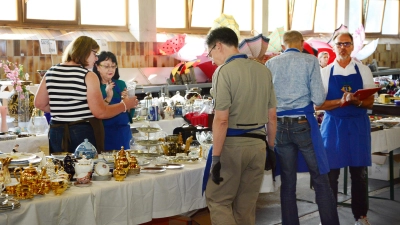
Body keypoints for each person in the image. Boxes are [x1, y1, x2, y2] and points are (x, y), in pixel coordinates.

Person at [203, 27, 277, 225]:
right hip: (259, 146)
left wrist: (216, 158)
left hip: (233, 147)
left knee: (218, 200)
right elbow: (272, 117)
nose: (211, 59)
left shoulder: (223, 72)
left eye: (210, 53)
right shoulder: (263, 70)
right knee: (246, 206)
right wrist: (271, 149)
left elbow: (222, 120)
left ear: (218, 46)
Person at [265, 30, 339, 225]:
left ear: (283, 46)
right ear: (302, 43)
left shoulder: (271, 64)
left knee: (288, 182)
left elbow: (267, 101)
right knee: (320, 177)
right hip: (303, 123)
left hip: (280, 126)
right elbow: (318, 99)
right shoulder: (310, 61)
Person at [34, 36, 139, 154]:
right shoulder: (87, 75)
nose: (96, 58)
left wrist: (65, 109)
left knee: (61, 170)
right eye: (94, 53)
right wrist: (125, 105)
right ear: (84, 51)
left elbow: (39, 103)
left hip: (56, 131)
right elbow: (100, 112)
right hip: (80, 132)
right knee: (85, 170)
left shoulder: (51, 72)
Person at [316, 32, 375, 225]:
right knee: (331, 174)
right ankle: (329, 218)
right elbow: (318, 105)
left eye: (347, 44)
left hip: (358, 125)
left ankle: (361, 216)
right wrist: (339, 101)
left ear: (352, 46)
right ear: (333, 47)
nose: (343, 47)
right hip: (333, 125)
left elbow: (370, 101)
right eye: (339, 44)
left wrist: (357, 101)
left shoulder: (364, 70)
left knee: (359, 174)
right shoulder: (325, 72)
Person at [92, 51, 132, 151]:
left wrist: (126, 101)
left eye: (113, 66)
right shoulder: (94, 86)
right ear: (97, 67)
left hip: (123, 132)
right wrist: (108, 98)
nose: (110, 69)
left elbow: (128, 111)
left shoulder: (121, 84)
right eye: (106, 66)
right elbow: (96, 112)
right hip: (104, 133)